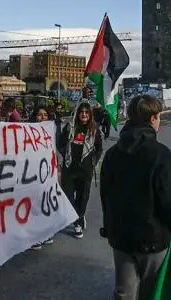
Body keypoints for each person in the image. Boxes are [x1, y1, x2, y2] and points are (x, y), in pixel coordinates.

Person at [100, 94, 171, 300]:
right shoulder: (159, 153)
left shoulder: (112, 153)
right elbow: (168, 199)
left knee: (124, 292)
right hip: (152, 238)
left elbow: (105, 195)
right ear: (152, 119)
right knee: (152, 292)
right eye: (159, 117)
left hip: (120, 236)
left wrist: (109, 227)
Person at [58, 101, 103, 239]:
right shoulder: (69, 127)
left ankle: (78, 221)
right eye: (81, 112)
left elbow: (99, 148)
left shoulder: (94, 129)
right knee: (69, 197)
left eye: (86, 112)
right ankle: (77, 216)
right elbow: (60, 143)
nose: (84, 114)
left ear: (90, 115)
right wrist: (64, 158)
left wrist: (93, 161)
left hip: (85, 170)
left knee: (83, 197)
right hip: (69, 169)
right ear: (78, 114)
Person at [27, 105, 57, 251]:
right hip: (31, 175)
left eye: (45, 114)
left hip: (47, 175)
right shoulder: (26, 131)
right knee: (33, 206)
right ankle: (34, 237)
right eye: (40, 114)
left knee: (45, 204)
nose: (43, 117)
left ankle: (44, 233)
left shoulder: (51, 132)